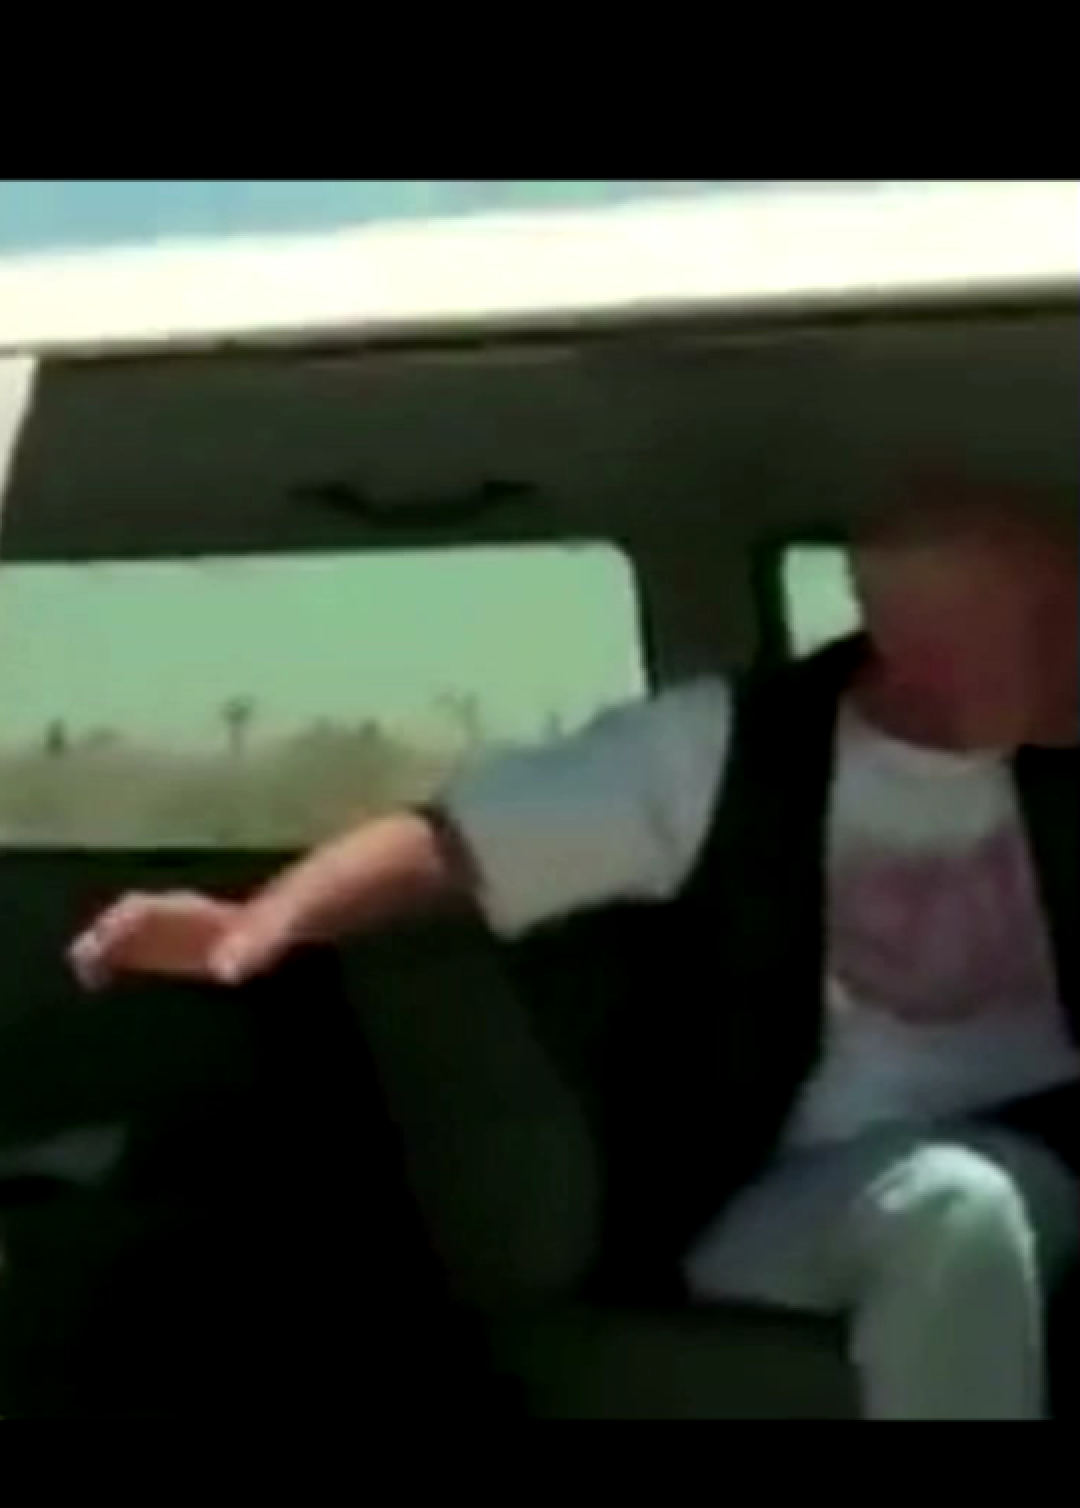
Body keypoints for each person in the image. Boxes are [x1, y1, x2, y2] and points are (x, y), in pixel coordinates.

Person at [67, 474, 1077, 1420]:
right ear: (914, 640)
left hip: (1051, 1147)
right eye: (1041, 623)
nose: (1070, 643)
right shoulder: (723, 750)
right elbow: (454, 842)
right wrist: (262, 921)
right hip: (791, 1194)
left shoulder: (1057, 755)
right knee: (957, 1204)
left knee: (988, 1191)